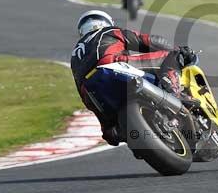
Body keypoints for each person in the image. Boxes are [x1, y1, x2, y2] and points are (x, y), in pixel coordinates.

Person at [70, 10, 197, 146]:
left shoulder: (74, 55)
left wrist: (107, 128)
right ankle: (174, 93)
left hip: (90, 90)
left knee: (112, 133)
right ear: (105, 22)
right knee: (174, 56)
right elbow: (148, 41)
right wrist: (179, 50)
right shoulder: (109, 31)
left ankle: (126, 134)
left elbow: (81, 90)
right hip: (112, 66)